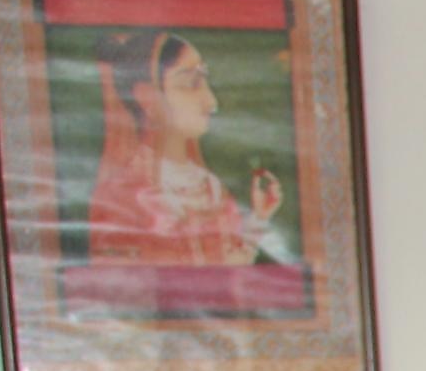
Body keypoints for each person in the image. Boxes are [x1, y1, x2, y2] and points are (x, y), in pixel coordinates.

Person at [82, 30, 295, 267]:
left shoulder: (210, 187)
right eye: (191, 83)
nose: (211, 102)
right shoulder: (120, 197)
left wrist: (260, 217)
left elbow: (232, 267)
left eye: (204, 81)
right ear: (146, 97)